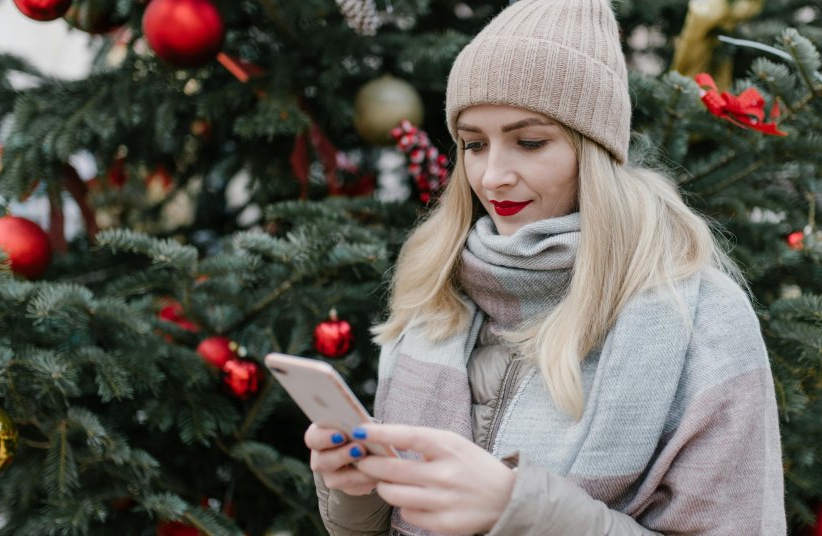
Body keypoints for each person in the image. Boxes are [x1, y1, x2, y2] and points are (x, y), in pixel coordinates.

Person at [305, 0, 787, 534]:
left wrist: (517, 510)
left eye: (529, 142)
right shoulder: (437, 288)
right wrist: (357, 489)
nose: (491, 177)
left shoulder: (700, 319)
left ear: (594, 150)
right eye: (473, 144)